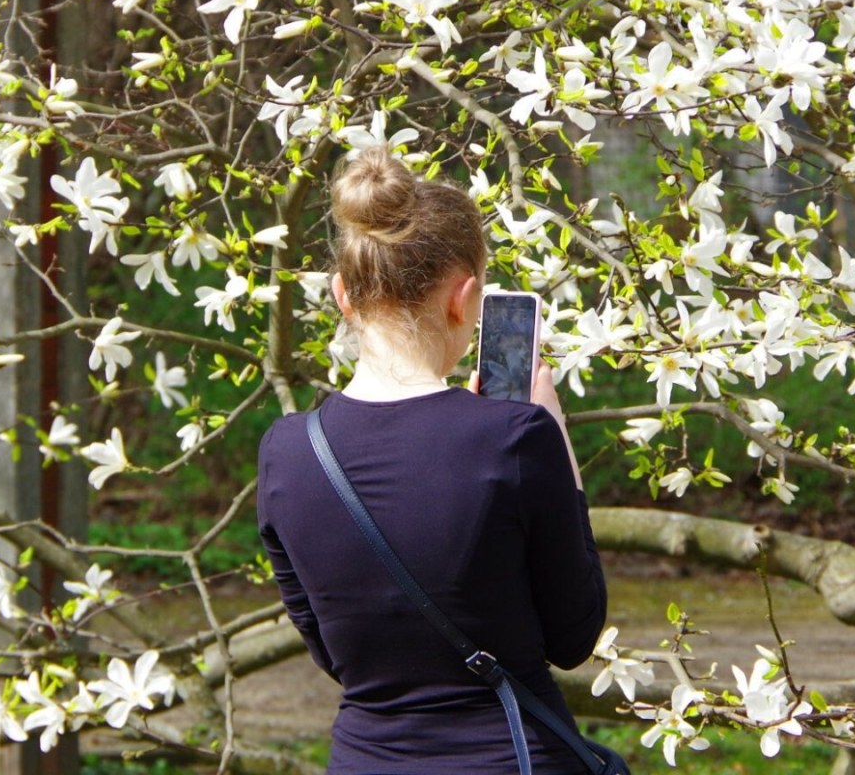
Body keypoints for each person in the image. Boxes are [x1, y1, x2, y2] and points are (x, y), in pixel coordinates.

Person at [256, 147, 608, 773]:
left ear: (343, 295)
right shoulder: (516, 437)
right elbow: (573, 636)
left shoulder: (287, 451)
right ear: (464, 299)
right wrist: (552, 436)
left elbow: (335, 654)